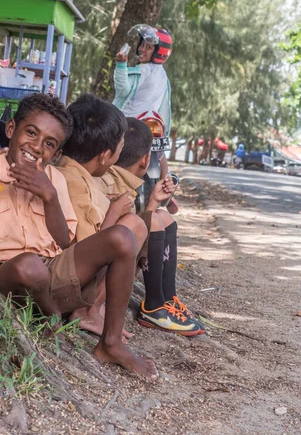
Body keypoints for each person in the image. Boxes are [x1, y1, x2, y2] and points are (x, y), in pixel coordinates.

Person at [0, 93, 158, 380]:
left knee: (123, 238)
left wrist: (49, 196)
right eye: (31, 133)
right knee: (28, 266)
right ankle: (52, 318)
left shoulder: (55, 180)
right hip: (5, 276)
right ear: (11, 129)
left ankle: (110, 343)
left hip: (54, 272)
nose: (37, 147)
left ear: (55, 153)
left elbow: (65, 241)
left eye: (49, 144)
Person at [97, 118, 204, 336]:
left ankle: (166, 299)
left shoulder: (118, 181)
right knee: (155, 218)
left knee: (163, 216)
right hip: (98, 278)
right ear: (146, 160)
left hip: (105, 267)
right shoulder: (113, 187)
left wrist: (154, 200)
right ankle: (154, 306)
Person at [57, 94, 149, 341]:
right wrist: (114, 213)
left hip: (67, 272)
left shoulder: (76, 172)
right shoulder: (74, 182)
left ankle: (94, 307)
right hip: (64, 279)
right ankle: (88, 310)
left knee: (132, 225)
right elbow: (87, 246)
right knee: (134, 226)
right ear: (105, 156)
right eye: (121, 147)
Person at [112, 24, 178, 214]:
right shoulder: (163, 75)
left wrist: (121, 64)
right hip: (153, 124)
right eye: (142, 44)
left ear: (159, 52)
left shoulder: (142, 70)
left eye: (148, 47)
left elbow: (123, 89)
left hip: (129, 124)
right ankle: (168, 190)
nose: (141, 49)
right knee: (160, 153)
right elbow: (166, 106)